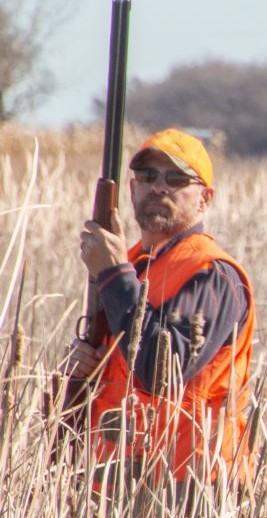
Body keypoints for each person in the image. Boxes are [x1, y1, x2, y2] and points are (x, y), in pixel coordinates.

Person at [66, 128, 255, 490]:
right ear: (132, 190)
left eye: (176, 178)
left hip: (188, 486)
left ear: (205, 199)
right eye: (148, 176)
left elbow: (162, 371)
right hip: (116, 477)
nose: (158, 187)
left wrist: (113, 273)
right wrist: (82, 365)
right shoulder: (131, 264)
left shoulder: (212, 274)